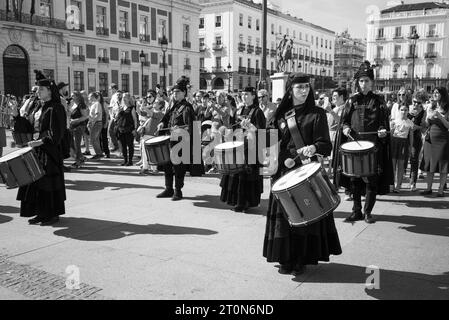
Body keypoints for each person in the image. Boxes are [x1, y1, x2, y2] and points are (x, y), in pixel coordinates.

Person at [263, 73, 342, 275]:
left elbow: (326, 145)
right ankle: (284, 258)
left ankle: (300, 259)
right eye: (299, 87)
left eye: (306, 87)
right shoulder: (281, 115)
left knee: (305, 215)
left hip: (305, 171)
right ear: (290, 90)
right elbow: (269, 143)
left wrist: (314, 148)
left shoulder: (317, 114)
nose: (304, 91)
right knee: (285, 217)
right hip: (282, 171)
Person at [342, 61, 393, 223]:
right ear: (358, 82)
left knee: (371, 181)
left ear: (372, 83)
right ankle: (356, 211)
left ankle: (367, 212)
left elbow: (384, 125)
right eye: (361, 81)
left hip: (373, 148)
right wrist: (345, 128)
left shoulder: (379, 102)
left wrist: (383, 131)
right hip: (354, 147)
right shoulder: (351, 101)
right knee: (355, 180)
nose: (363, 84)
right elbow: (345, 122)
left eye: (367, 81)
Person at [18, 71, 66, 225]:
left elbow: (57, 133)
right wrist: (16, 117)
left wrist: (40, 142)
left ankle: (51, 215)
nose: (38, 92)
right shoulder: (39, 106)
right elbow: (30, 127)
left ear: (50, 91)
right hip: (36, 150)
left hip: (49, 152)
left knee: (47, 184)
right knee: (35, 183)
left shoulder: (56, 108)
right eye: (38, 89)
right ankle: (40, 213)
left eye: (41, 90)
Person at [219, 86, 266, 212]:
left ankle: (245, 202)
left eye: (247, 94)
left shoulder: (257, 112)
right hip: (238, 146)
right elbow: (232, 126)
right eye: (243, 94)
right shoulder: (239, 110)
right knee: (237, 175)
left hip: (251, 149)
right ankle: (237, 201)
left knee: (247, 177)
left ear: (253, 96)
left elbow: (261, 132)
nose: (244, 96)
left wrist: (250, 126)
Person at [156, 77, 197, 201]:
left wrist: (178, 129)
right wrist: (162, 123)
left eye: (178, 92)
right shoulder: (173, 106)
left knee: (179, 168)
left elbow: (190, 127)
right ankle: (169, 188)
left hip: (181, 142)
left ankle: (178, 191)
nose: (175, 94)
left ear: (184, 93)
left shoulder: (187, 107)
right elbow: (166, 118)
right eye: (173, 92)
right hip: (170, 140)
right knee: (167, 165)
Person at [420, 87, 449, 197]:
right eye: (434, 92)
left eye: (437, 92)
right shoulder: (430, 107)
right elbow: (426, 124)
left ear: (443, 94)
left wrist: (440, 117)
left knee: (443, 165)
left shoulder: (447, 108)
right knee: (429, 163)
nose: (435, 94)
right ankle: (428, 188)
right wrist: (428, 118)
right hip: (431, 138)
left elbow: (448, 126)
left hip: (443, 139)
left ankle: (440, 190)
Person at [390, 105, 414, 192]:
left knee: (400, 166)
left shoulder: (410, 122)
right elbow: (391, 134)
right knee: (392, 165)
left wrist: (411, 148)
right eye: (402, 110)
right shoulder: (394, 122)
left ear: (408, 111)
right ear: (399, 110)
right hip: (394, 143)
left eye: (405, 110)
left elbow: (411, 136)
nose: (403, 112)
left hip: (403, 144)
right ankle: (391, 184)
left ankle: (398, 186)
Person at [408, 90, 427, 191]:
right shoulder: (408, 109)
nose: (416, 104)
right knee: (401, 160)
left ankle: (413, 183)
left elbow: (424, 128)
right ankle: (397, 183)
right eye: (414, 101)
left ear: (422, 103)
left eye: (418, 103)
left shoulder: (424, 113)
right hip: (405, 137)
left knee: (414, 160)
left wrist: (417, 127)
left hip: (416, 138)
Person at [116, 93, 138, 166]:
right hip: (121, 129)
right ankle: (125, 160)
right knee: (123, 145)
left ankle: (130, 161)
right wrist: (118, 111)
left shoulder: (132, 108)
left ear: (129, 98)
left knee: (130, 145)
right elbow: (117, 117)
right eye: (123, 97)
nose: (124, 98)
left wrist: (135, 129)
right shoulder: (121, 107)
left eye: (125, 97)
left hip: (129, 129)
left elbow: (135, 119)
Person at [69, 91, 89, 168]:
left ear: (78, 96)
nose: (72, 97)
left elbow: (85, 116)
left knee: (77, 144)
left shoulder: (81, 105)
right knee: (73, 144)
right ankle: (81, 158)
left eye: (73, 96)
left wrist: (75, 120)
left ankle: (78, 162)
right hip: (73, 126)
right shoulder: (73, 104)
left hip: (79, 126)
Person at [87, 92, 105, 159]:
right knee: (96, 139)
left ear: (93, 97)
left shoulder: (97, 104)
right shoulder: (93, 104)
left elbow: (98, 114)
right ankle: (99, 153)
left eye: (89, 97)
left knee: (93, 139)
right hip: (96, 123)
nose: (88, 98)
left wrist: (93, 122)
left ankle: (99, 153)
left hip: (97, 123)